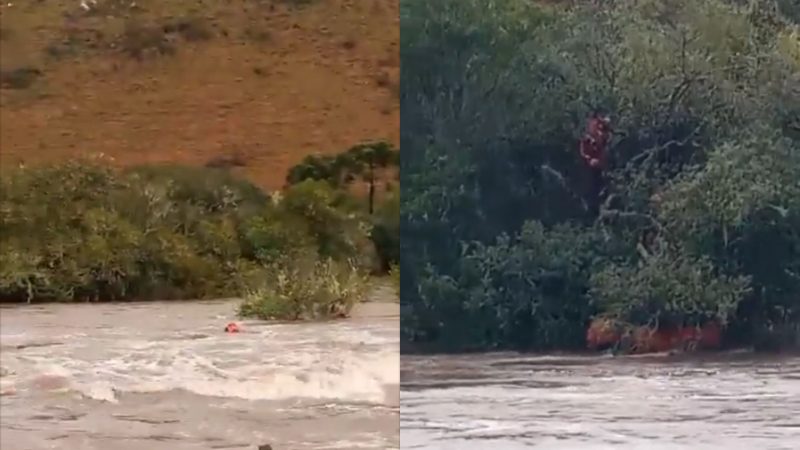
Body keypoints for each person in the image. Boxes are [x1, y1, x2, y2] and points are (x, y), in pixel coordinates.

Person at [579, 112, 612, 216]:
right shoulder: (587, 140)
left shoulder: (600, 132)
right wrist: (589, 158)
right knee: (595, 182)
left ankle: (601, 196)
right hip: (593, 164)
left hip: (599, 162)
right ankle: (594, 203)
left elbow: (604, 137)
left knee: (600, 180)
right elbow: (583, 152)